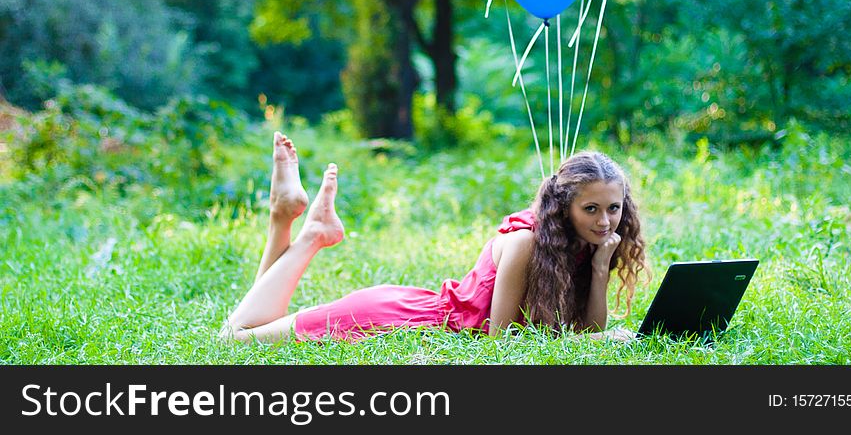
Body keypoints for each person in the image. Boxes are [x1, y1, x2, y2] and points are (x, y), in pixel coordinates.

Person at [221, 132, 649, 344]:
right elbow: (499, 341)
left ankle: (284, 218)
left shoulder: (587, 245)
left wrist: (597, 269)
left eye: (613, 208)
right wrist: (590, 339)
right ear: (565, 206)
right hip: (391, 317)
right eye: (590, 209)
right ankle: (309, 233)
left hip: (412, 306)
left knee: (251, 329)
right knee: (233, 339)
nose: (604, 221)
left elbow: (590, 330)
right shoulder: (525, 242)